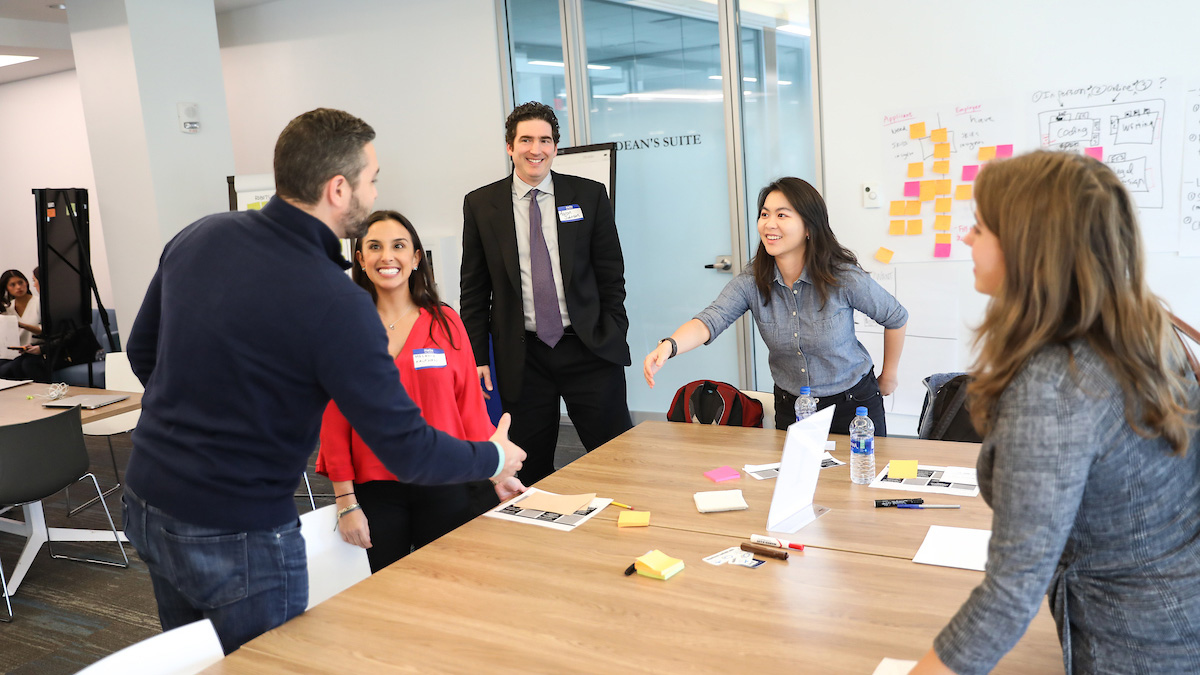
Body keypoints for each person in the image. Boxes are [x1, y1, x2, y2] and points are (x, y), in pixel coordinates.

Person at [122, 108, 526, 655]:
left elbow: (144, 352)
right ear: (339, 189)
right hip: (238, 527)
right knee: (273, 663)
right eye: (372, 177)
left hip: (146, 499)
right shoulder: (334, 300)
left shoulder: (201, 235)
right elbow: (406, 450)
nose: (376, 187)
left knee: (196, 659)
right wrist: (492, 459)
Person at [911, 151, 1200, 674]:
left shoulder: (1056, 384)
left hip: (1135, 644)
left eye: (980, 227)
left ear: (1029, 246)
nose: (966, 239)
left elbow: (1007, 597)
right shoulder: (1148, 328)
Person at [317, 210, 525, 572]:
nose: (387, 256)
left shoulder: (446, 322)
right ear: (361, 259)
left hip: (446, 479)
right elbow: (335, 422)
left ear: (415, 258)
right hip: (375, 488)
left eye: (399, 246)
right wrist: (346, 501)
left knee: (450, 591)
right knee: (381, 598)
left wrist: (498, 472)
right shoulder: (343, 328)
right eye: (375, 247)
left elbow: (469, 410)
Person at [644, 177, 907, 433]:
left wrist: (889, 375)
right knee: (796, 478)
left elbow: (895, 317)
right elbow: (711, 319)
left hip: (853, 405)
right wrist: (670, 345)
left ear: (808, 227)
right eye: (764, 214)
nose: (769, 224)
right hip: (791, 407)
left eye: (782, 215)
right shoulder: (752, 281)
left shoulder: (842, 277)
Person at [461, 101, 632, 486]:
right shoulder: (481, 204)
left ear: (556, 147)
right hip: (524, 357)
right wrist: (476, 354)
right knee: (529, 466)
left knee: (618, 456)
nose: (535, 149)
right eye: (526, 140)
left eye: (544, 140)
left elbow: (611, 275)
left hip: (588, 349)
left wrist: (612, 330)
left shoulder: (588, 195)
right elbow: (473, 289)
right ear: (510, 146)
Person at [0, 269, 47, 381]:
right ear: (6, 288)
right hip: (14, 352)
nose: (18, 287)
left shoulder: (39, 303)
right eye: (13, 285)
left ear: (26, 283)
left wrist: (22, 325)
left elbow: (45, 330)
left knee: (18, 366)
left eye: (20, 283)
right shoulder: (7, 309)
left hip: (36, 350)